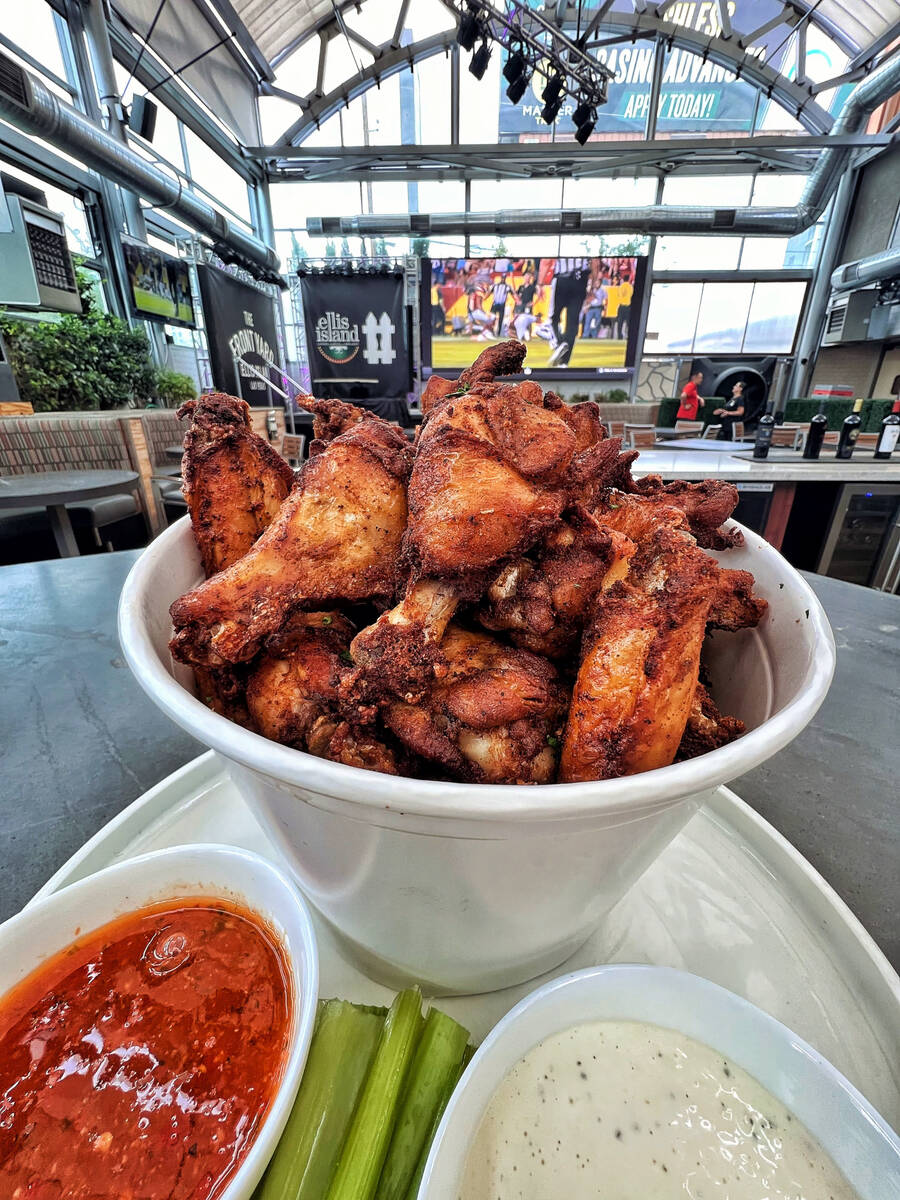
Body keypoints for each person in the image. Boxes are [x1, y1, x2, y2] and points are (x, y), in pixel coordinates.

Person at [548, 257, 591, 365]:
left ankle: (559, 343)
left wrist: (539, 284)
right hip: (581, 279)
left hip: (562, 279)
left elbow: (546, 261)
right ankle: (564, 362)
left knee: (553, 317)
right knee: (573, 322)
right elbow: (594, 262)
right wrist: (593, 285)